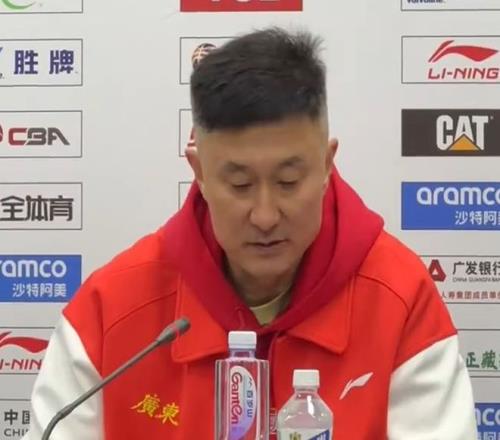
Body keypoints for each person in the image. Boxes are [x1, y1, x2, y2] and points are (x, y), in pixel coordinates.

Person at [23, 27, 477, 439]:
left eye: (288, 182)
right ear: (199, 172)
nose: (264, 215)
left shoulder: (400, 299)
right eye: (240, 185)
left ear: (326, 164)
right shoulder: (111, 310)